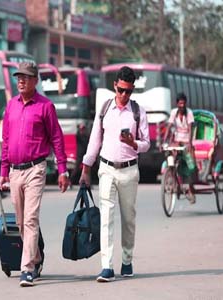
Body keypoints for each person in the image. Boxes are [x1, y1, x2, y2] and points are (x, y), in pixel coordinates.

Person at [0, 62, 70, 287]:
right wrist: (3, 173)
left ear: (35, 81)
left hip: (36, 169)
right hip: (14, 171)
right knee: (20, 221)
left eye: (26, 77)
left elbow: (57, 138)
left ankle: (27, 269)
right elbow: (6, 141)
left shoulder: (45, 106)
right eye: (19, 77)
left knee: (30, 219)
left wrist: (62, 169)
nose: (21, 81)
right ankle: (36, 257)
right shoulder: (11, 106)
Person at [79, 66, 150, 282]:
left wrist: (133, 143)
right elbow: (94, 141)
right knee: (106, 218)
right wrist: (85, 168)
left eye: (128, 91)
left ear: (133, 90)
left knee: (128, 219)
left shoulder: (138, 111)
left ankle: (127, 261)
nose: (124, 95)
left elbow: (147, 143)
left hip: (129, 170)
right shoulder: (105, 109)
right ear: (115, 86)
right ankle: (106, 266)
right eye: (121, 90)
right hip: (107, 169)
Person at [163, 92, 197, 203]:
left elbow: (191, 128)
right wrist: (164, 141)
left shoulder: (189, 113)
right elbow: (169, 126)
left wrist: (190, 143)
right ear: (177, 103)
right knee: (170, 157)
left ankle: (190, 188)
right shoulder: (174, 112)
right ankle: (172, 176)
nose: (182, 105)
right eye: (180, 103)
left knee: (191, 166)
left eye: (183, 103)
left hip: (186, 141)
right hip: (177, 140)